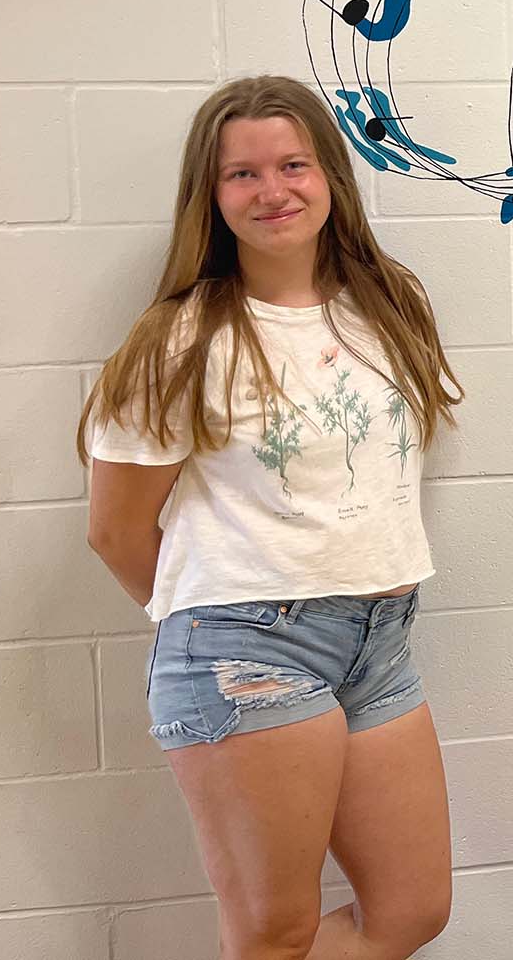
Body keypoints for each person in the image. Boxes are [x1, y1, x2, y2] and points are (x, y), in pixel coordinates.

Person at [80, 75, 463, 960]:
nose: (273, 191)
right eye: (241, 175)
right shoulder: (178, 341)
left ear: (330, 175)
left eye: (293, 164)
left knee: (410, 911)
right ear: (210, 198)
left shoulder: (388, 304)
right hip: (246, 647)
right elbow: (115, 530)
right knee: (273, 932)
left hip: (382, 641)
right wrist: (225, 617)